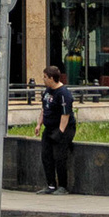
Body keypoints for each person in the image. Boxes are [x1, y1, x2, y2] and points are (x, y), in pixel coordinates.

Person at [38, 60, 77, 197]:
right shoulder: (47, 92)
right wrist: (39, 124)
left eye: (44, 77)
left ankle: (63, 186)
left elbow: (65, 115)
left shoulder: (63, 93)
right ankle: (50, 184)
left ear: (51, 78)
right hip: (48, 128)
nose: (43, 79)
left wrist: (60, 132)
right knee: (46, 156)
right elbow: (44, 109)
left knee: (59, 157)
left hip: (63, 128)